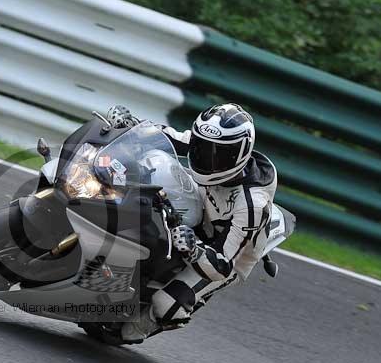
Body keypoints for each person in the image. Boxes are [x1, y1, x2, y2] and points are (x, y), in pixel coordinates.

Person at [115, 103, 278, 344]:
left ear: (238, 155)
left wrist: (194, 249)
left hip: (225, 250)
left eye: (218, 155)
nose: (206, 158)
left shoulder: (251, 204)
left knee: (166, 305)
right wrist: (132, 126)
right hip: (201, 207)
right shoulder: (206, 144)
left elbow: (223, 264)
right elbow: (166, 136)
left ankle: (146, 323)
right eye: (202, 148)